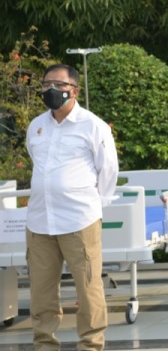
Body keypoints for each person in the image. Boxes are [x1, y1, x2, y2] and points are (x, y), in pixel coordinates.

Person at [25, 64, 119, 351]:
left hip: (80, 221)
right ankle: (44, 345)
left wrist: (93, 206)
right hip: (40, 221)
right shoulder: (36, 125)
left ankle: (90, 345)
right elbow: (37, 165)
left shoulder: (93, 126)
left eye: (57, 84)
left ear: (74, 90)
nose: (50, 90)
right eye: (45, 84)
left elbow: (109, 171)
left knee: (89, 290)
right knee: (41, 293)